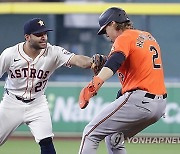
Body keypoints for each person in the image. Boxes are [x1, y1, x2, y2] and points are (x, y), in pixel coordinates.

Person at [78, 7, 167, 154]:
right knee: (113, 138)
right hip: (159, 105)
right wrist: (106, 60)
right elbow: (133, 64)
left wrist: (94, 85)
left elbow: (115, 62)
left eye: (105, 29)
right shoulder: (146, 36)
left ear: (113, 23)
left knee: (90, 134)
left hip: (140, 100)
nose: (106, 34)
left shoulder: (123, 38)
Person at [0, 18, 94, 154]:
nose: (43, 37)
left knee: (47, 142)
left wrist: (92, 61)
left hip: (37, 104)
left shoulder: (53, 52)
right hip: (12, 103)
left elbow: (78, 60)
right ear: (27, 37)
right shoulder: (10, 54)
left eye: (45, 33)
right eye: (38, 34)